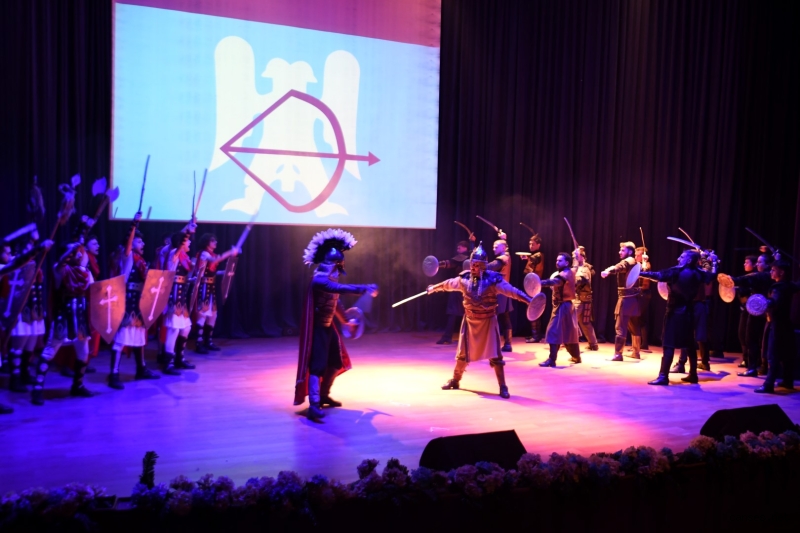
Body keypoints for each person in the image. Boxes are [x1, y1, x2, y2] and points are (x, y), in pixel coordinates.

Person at [293, 229, 378, 421]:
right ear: (334, 264)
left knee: (335, 362)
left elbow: (335, 302)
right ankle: (314, 405)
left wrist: (346, 322)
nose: (340, 268)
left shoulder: (330, 279)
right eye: (338, 264)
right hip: (317, 329)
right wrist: (364, 288)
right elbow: (338, 289)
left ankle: (323, 395)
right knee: (317, 366)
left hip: (328, 327)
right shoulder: (319, 280)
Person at [430, 243, 532, 399]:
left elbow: (512, 291)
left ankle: (503, 386)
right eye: (472, 264)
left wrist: (528, 300)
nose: (473, 267)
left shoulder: (494, 280)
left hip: (488, 322)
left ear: (484, 265)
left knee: (496, 355)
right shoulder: (464, 279)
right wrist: (434, 288)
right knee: (462, 354)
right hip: (470, 321)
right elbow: (448, 284)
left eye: (477, 264)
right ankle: (455, 380)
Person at [31, 240, 95, 405]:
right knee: (49, 352)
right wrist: (72, 250)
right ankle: (37, 388)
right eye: (74, 252)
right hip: (63, 318)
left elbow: (95, 290)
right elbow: (61, 263)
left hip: (80, 319)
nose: (79, 254)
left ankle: (77, 385)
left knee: (83, 353)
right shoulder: (60, 269)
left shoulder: (85, 272)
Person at [639, 250, 715, 385]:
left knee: (669, 344)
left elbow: (657, 275)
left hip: (674, 313)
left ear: (689, 260)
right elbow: (711, 275)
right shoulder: (699, 273)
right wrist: (711, 261)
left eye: (682, 256)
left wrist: (639, 273)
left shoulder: (676, 272)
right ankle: (693, 375)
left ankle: (663, 376)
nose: (679, 258)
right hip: (689, 313)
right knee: (689, 344)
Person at [107, 213, 161, 389]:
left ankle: (141, 369)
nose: (143, 244)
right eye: (139, 241)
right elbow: (128, 244)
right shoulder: (127, 257)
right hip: (126, 303)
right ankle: (114, 374)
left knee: (139, 337)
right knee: (120, 338)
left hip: (138, 303)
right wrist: (134, 224)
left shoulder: (140, 261)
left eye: (142, 241)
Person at [754, 259, 798, 393]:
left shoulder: (777, 287)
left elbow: (774, 301)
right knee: (787, 354)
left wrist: (766, 303)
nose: (771, 272)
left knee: (773, 355)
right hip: (787, 324)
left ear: (782, 272)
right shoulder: (790, 285)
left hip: (777, 324)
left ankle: (768, 384)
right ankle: (788, 381)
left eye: (773, 270)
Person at [192, 233, 239, 354]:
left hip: (211, 287)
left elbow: (212, 272)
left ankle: (208, 341)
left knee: (213, 315)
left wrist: (224, 272)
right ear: (207, 242)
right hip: (203, 287)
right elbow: (215, 260)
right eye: (213, 241)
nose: (215, 242)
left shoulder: (210, 254)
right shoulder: (204, 253)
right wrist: (230, 252)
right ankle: (198, 343)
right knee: (202, 315)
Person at [162, 221, 198, 375]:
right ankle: (168, 363)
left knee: (186, 328)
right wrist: (188, 232)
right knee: (173, 329)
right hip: (173, 296)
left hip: (181, 297)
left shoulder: (184, 257)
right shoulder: (173, 254)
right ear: (181, 243)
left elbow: (185, 276)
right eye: (187, 241)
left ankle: (179, 358)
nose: (189, 243)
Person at [729, 254, 772, 377]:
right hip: (759, 311)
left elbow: (750, 277)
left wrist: (733, 279)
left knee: (753, 339)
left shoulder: (764, 275)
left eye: (760, 262)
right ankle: (760, 367)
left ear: (767, 265)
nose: (757, 264)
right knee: (757, 339)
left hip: (759, 311)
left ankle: (754, 368)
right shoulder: (764, 276)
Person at [538, 252, 582, 367]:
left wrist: (539, 282)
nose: (557, 262)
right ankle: (576, 357)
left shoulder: (564, 275)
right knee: (569, 332)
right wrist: (576, 256)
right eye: (557, 260)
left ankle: (552, 359)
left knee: (554, 331)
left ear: (566, 263)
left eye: (560, 261)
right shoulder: (572, 270)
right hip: (568, 306)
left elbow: (554, 282)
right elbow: (576, 265)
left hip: (563, 307)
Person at [600, 241, 641, 361]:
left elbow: (619, 267)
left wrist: (608, 271)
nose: (620, 252)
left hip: (626, 299)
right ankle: (636, 352)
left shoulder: (628, 261)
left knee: (620, 327)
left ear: (630, 251)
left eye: (623, 250)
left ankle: (618, 354)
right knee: (633, 326)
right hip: (634, 299)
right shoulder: (635, 262)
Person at [436, 240, 472, 345]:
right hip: (468, 289)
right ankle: (469, 337)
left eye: (460, 247)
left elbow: (450, 263)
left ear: (465, 248)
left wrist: (438, 264)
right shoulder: (471, 256)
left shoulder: (463, 257)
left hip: (459, 288)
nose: (458, 248)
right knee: (467, 314)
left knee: (454, 312)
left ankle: (448, 337)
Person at [487, 235, 514, 352]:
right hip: (504, 291)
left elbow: (490, 266)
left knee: (494, 317)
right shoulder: (507, 256)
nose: (493, 249)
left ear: (503, 248)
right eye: (493, 247)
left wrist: (479, 264)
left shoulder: (503, 258)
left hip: (499, 292)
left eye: (496, 247)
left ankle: (494, 344)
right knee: (504, 317)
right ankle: (507, 344)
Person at [572, 246, 599, 351]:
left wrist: (568, 281)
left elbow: (580, 280)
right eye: (573, 256)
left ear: (582, 257)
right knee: (584, 323)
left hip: (581, 300)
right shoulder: (578, 268)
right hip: (580, 299)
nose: (573, 258)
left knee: (570, 320)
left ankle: (570, 343)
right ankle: (593, 344)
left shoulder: (584, 269)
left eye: (575, 256)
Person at [628, 246, 651, 352]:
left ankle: (640, 345)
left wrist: (644, 261)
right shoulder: (637, 265)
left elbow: (645, 271)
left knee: (637, 318)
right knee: (639, 319)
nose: (635, 257)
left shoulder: (646, 265)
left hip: (643, 294)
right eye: (635, 255)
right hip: (639, 294)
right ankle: (640, 344)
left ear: (643, 256)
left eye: (637, 255)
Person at [522, 234, 545, 343]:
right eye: (530, 244)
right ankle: (535, 334)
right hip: (532, 286)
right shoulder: (535, 255)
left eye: (533, 244)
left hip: (534, 287)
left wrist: (528, 258)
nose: (530, 246)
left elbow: (534, 260)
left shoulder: (538, 255)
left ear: (538, 245)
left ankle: (536, 336)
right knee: (533, 309)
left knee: (534, 309)